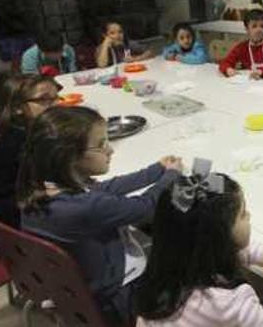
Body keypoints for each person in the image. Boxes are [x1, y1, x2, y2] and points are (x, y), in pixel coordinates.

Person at [17, 106, 183, 324]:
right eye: (101, 144)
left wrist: (155, 170)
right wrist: (172, 176)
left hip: (76, 288)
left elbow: (105, 188)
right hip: (118, 295)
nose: (110, 150)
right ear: (70, 157)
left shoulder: (43, 186)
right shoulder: (84, 207)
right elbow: (145, 207)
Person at [135, 162, 263, 326]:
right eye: (243, 213)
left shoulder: (163, 267)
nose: (249, 216)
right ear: (220, 237)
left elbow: (204, 246)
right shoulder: (227, 304)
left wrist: (262, 255)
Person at [0, 75, 61, 228]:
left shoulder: (14, 130)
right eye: (44, 99)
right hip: (12, 226)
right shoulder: (21, 142)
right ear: (17, 107)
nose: (56, 104)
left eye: (56, 97)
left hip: (1, 222)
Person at [219, 9, 263, 79]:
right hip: (251, 83)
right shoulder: (241, 48)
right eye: (254, 26)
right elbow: (225, 62)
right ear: (247, 29)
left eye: (262, 26)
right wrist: (228, 69)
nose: (259, 29)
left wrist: (262, 72)